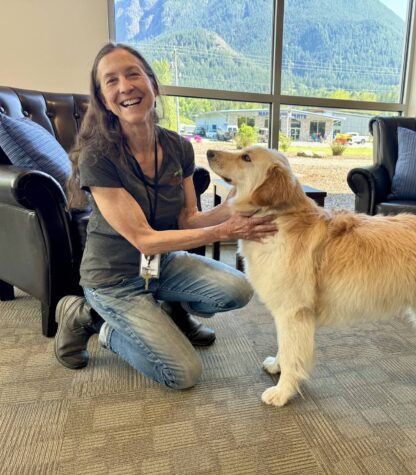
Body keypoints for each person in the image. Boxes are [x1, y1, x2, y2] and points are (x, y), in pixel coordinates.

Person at [54, 42, 276, 389]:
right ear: (102, 99)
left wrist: (234, 205)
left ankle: (169, 308)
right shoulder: (98, 156)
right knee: (182, 374)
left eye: (133, 74)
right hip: (113, 279)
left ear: (153, 85)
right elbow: (143, 238)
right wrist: (224, 230)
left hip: (162, 264)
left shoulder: (178, 147)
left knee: (238, 289)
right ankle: (92, 319)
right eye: (111, 81)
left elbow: (188, 219)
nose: (125, 86)